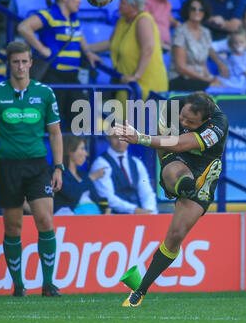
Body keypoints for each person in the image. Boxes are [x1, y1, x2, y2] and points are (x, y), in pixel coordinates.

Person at [114, 90, 228, 306]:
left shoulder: (218, 124)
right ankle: (183, 186)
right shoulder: (172, 107)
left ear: (206, 120)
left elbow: (181, 143)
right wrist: (165, 174)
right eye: (182, 116)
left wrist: (139, 138)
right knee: (178, 175)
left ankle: (139, 291)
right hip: (177, 158)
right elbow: (167, 145)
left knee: (176, 235)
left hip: (204, 163)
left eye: (190, 121)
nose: (183, 120)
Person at [0, 41, 64, 297]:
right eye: (15, 61)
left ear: (30, 62)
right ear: (9, 64)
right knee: (13, 227)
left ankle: (48, 284)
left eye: (24, 61)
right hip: (8, 167)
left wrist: (58, 167)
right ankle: (18, 286)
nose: (20, 66)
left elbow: (55, 132)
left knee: (45, 220)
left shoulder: (45, 93)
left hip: (37, 165)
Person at [17, 0, 101, 130]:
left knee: (84, 121)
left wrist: (87, 51)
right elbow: (23, 27)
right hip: (54, 77)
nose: (80, 1)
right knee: (53, 125)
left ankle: (77, 152)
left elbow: (78, 35)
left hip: (72, 77)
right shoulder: (50, 14)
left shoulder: (73, 17)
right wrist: (42, 49)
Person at [88, 0, 168, 113]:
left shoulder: (143, 20)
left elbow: (147, 49)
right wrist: (86, 48)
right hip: (126, 81)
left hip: (144, 82)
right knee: (122, 124)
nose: (119, 5)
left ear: (134, 6)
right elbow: (110, 43)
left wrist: (136, 76)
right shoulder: (122, 20)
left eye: (123, 3)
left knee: (142, 126)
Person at [168, 0, 226, 92]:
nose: (197, 12)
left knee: (221, 86)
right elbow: (181, 68)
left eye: (201, 9)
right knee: (211, 87)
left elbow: (203, 64)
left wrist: (210, 77)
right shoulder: (180, 32)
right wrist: (206, 80)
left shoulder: (205, 32)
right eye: (193, 9)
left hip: (199, 78)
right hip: (180, 79)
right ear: (187, 10)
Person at [90, 134, 158, 215]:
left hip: (140, 215)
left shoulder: (136, 162)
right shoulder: (100, 163)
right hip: (115, 217)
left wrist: (149, 210)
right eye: (115, 137)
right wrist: (134, 210)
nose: (120, 141)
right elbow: (107, 197)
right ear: (108, 137)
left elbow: (146, 192)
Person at [54, 135, 111, 215]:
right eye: (82, 149)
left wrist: (106, 208)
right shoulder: (58, 173)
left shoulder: (83, 175)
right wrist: (91, 178)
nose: (86, 154)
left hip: (95, 216)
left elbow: (96, 198)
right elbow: (71, 194)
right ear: (70, 151)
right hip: (71, 218)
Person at [212, 27, 246, 93]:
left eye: (241, 42)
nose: (238, 45)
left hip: (244, 78)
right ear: (231, 44)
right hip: (236, 78)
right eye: (235, 43)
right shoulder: (233, 57)